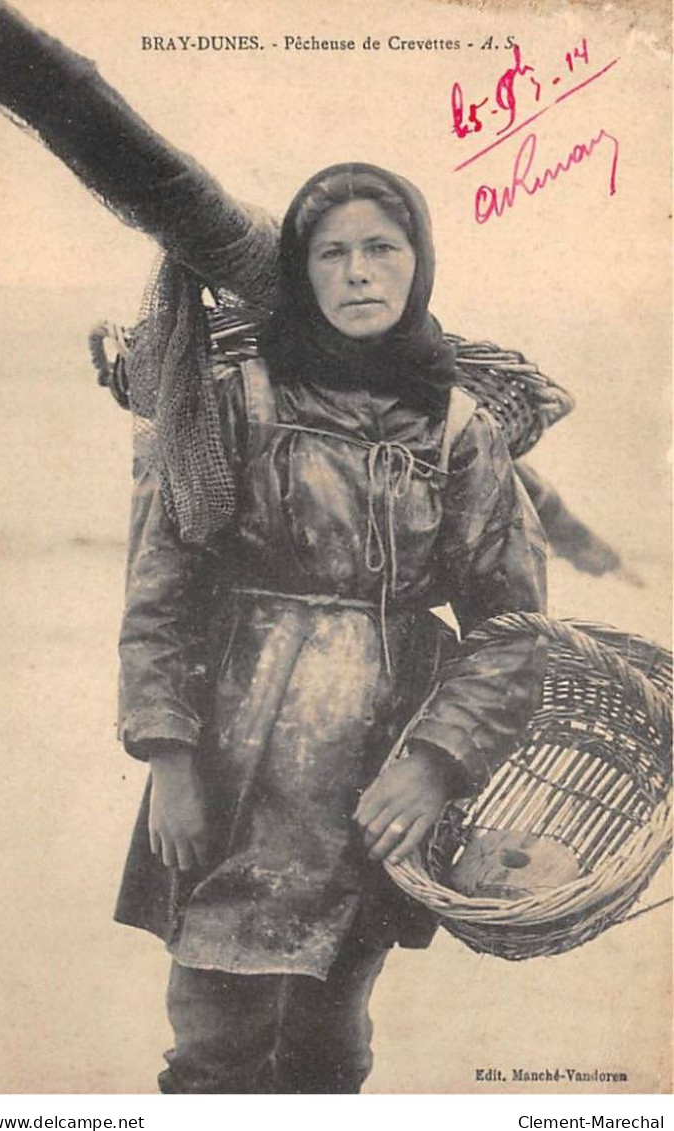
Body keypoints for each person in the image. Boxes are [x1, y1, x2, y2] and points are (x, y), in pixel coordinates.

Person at [113, 163, 548, 1094]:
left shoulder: (458, 429)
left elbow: (510, 625)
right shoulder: (235, 401)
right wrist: (168, 760)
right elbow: (161, 593)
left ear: (417, 263)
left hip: (375, 773)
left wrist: (433, 762)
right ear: (300, 272)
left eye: (381, 249)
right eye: (332, 253)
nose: (358, 273)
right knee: (213, 1033)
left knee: (330, 1037)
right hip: (231, 760)